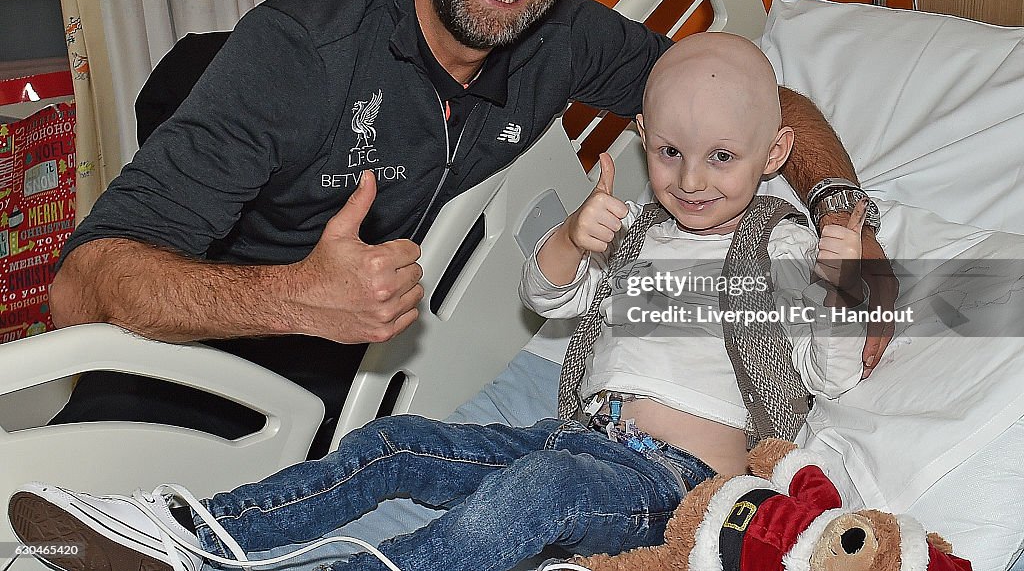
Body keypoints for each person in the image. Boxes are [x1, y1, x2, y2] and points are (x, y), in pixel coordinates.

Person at [47, 0, 893, 446]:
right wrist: (295, 298)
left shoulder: (558, 33)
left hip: (378, 391)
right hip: (197, 368)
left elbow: (758, 104)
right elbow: (81, 286)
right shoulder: (300, 53)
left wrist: (841, 213)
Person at [10, 34, 873, 571]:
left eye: (722, 157)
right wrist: (575, 237)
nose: (691, 179)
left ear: (774, 153)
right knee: (389, 444)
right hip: (576, 434)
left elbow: (832, 375)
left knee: (529, 498)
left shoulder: (785, 245)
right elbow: (548, 298)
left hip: (671, 481)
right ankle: (194, 534)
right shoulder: (642, 226)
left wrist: (845, 282)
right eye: (673, 152)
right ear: (645, 141)